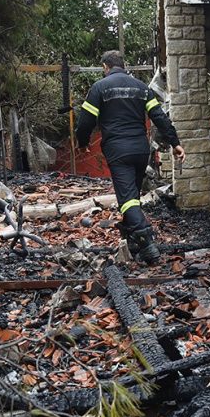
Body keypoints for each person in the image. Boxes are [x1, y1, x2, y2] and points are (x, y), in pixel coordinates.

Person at [75, 50, 184, 264]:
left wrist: (82, 143)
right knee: (132, 197)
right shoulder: (141, 88)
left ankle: (147, 243)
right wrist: (175, 143)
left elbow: (85, 121)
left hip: (118, 150)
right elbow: (160, 117)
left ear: (106, 67)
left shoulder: (99, 88)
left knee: (126, 200)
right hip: (140, 150)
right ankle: (131, 239)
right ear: (123, 66)